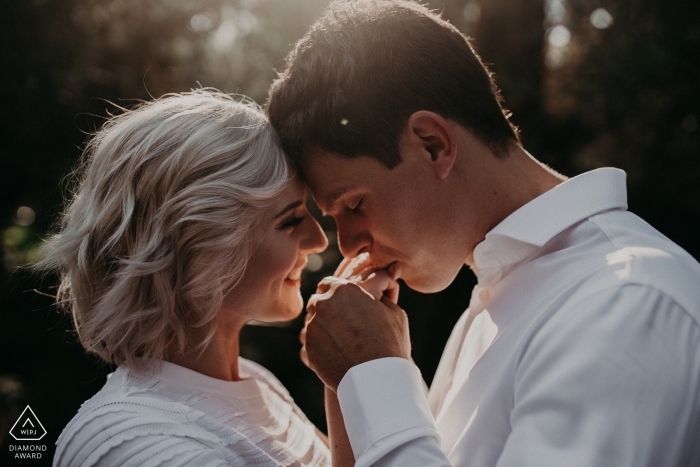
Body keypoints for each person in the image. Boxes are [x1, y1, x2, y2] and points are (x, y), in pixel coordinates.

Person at [266, 1, 700, 466]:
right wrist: (350, 384)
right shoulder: (499, 299)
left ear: (433, 145)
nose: (348, 245)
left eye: (354, 205)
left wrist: (373, 374)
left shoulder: (624, 304)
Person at [36, 90, 336, 467]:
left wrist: (347, 378)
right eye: (291, 220)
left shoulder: (254, 382)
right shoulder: (136, 441)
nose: (318, 239)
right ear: (199, 247)